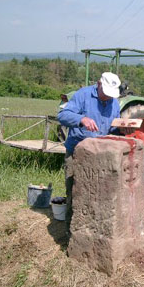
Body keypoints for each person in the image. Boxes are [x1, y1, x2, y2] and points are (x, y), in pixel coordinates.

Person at [57, 72, 122, 231]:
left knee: (97, 195)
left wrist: (123, 129)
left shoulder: (114, 103)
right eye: (106, 93)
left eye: (110, 95)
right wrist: (81, 119)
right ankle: (70, 232)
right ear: (99, 84)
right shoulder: (83, 95)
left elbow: (113, 129)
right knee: (74, 191)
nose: (108, 97)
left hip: (100, 157)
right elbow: (63, 115)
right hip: (77, 152)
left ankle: (92, 230)